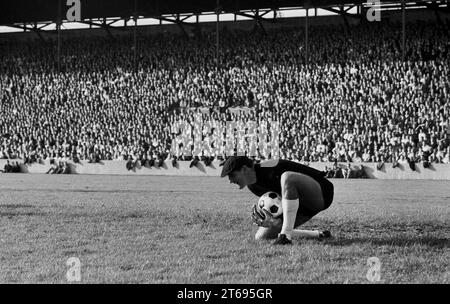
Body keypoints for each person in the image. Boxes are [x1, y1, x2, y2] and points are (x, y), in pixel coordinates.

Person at [221, 156, 334, 245]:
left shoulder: (271, 166)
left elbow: (303, 179)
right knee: (261, 236)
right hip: (301, 207)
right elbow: (282, 204)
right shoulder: (252, 186)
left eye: (231, 175)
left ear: (244, 169)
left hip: (321, 193)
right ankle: (319, 235)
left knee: (287, 177)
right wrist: (272, 221)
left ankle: (285, 237)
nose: (230, 180)